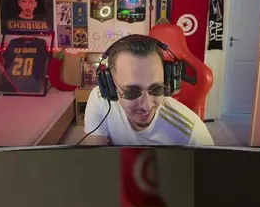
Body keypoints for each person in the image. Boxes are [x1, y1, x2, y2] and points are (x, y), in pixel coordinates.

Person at [81, 34, 214, 146]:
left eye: (156, 88)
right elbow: (96, 160)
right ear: (110, 85)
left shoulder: (193, 133)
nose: (147, 106)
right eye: (132, 92)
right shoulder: (100, 99)